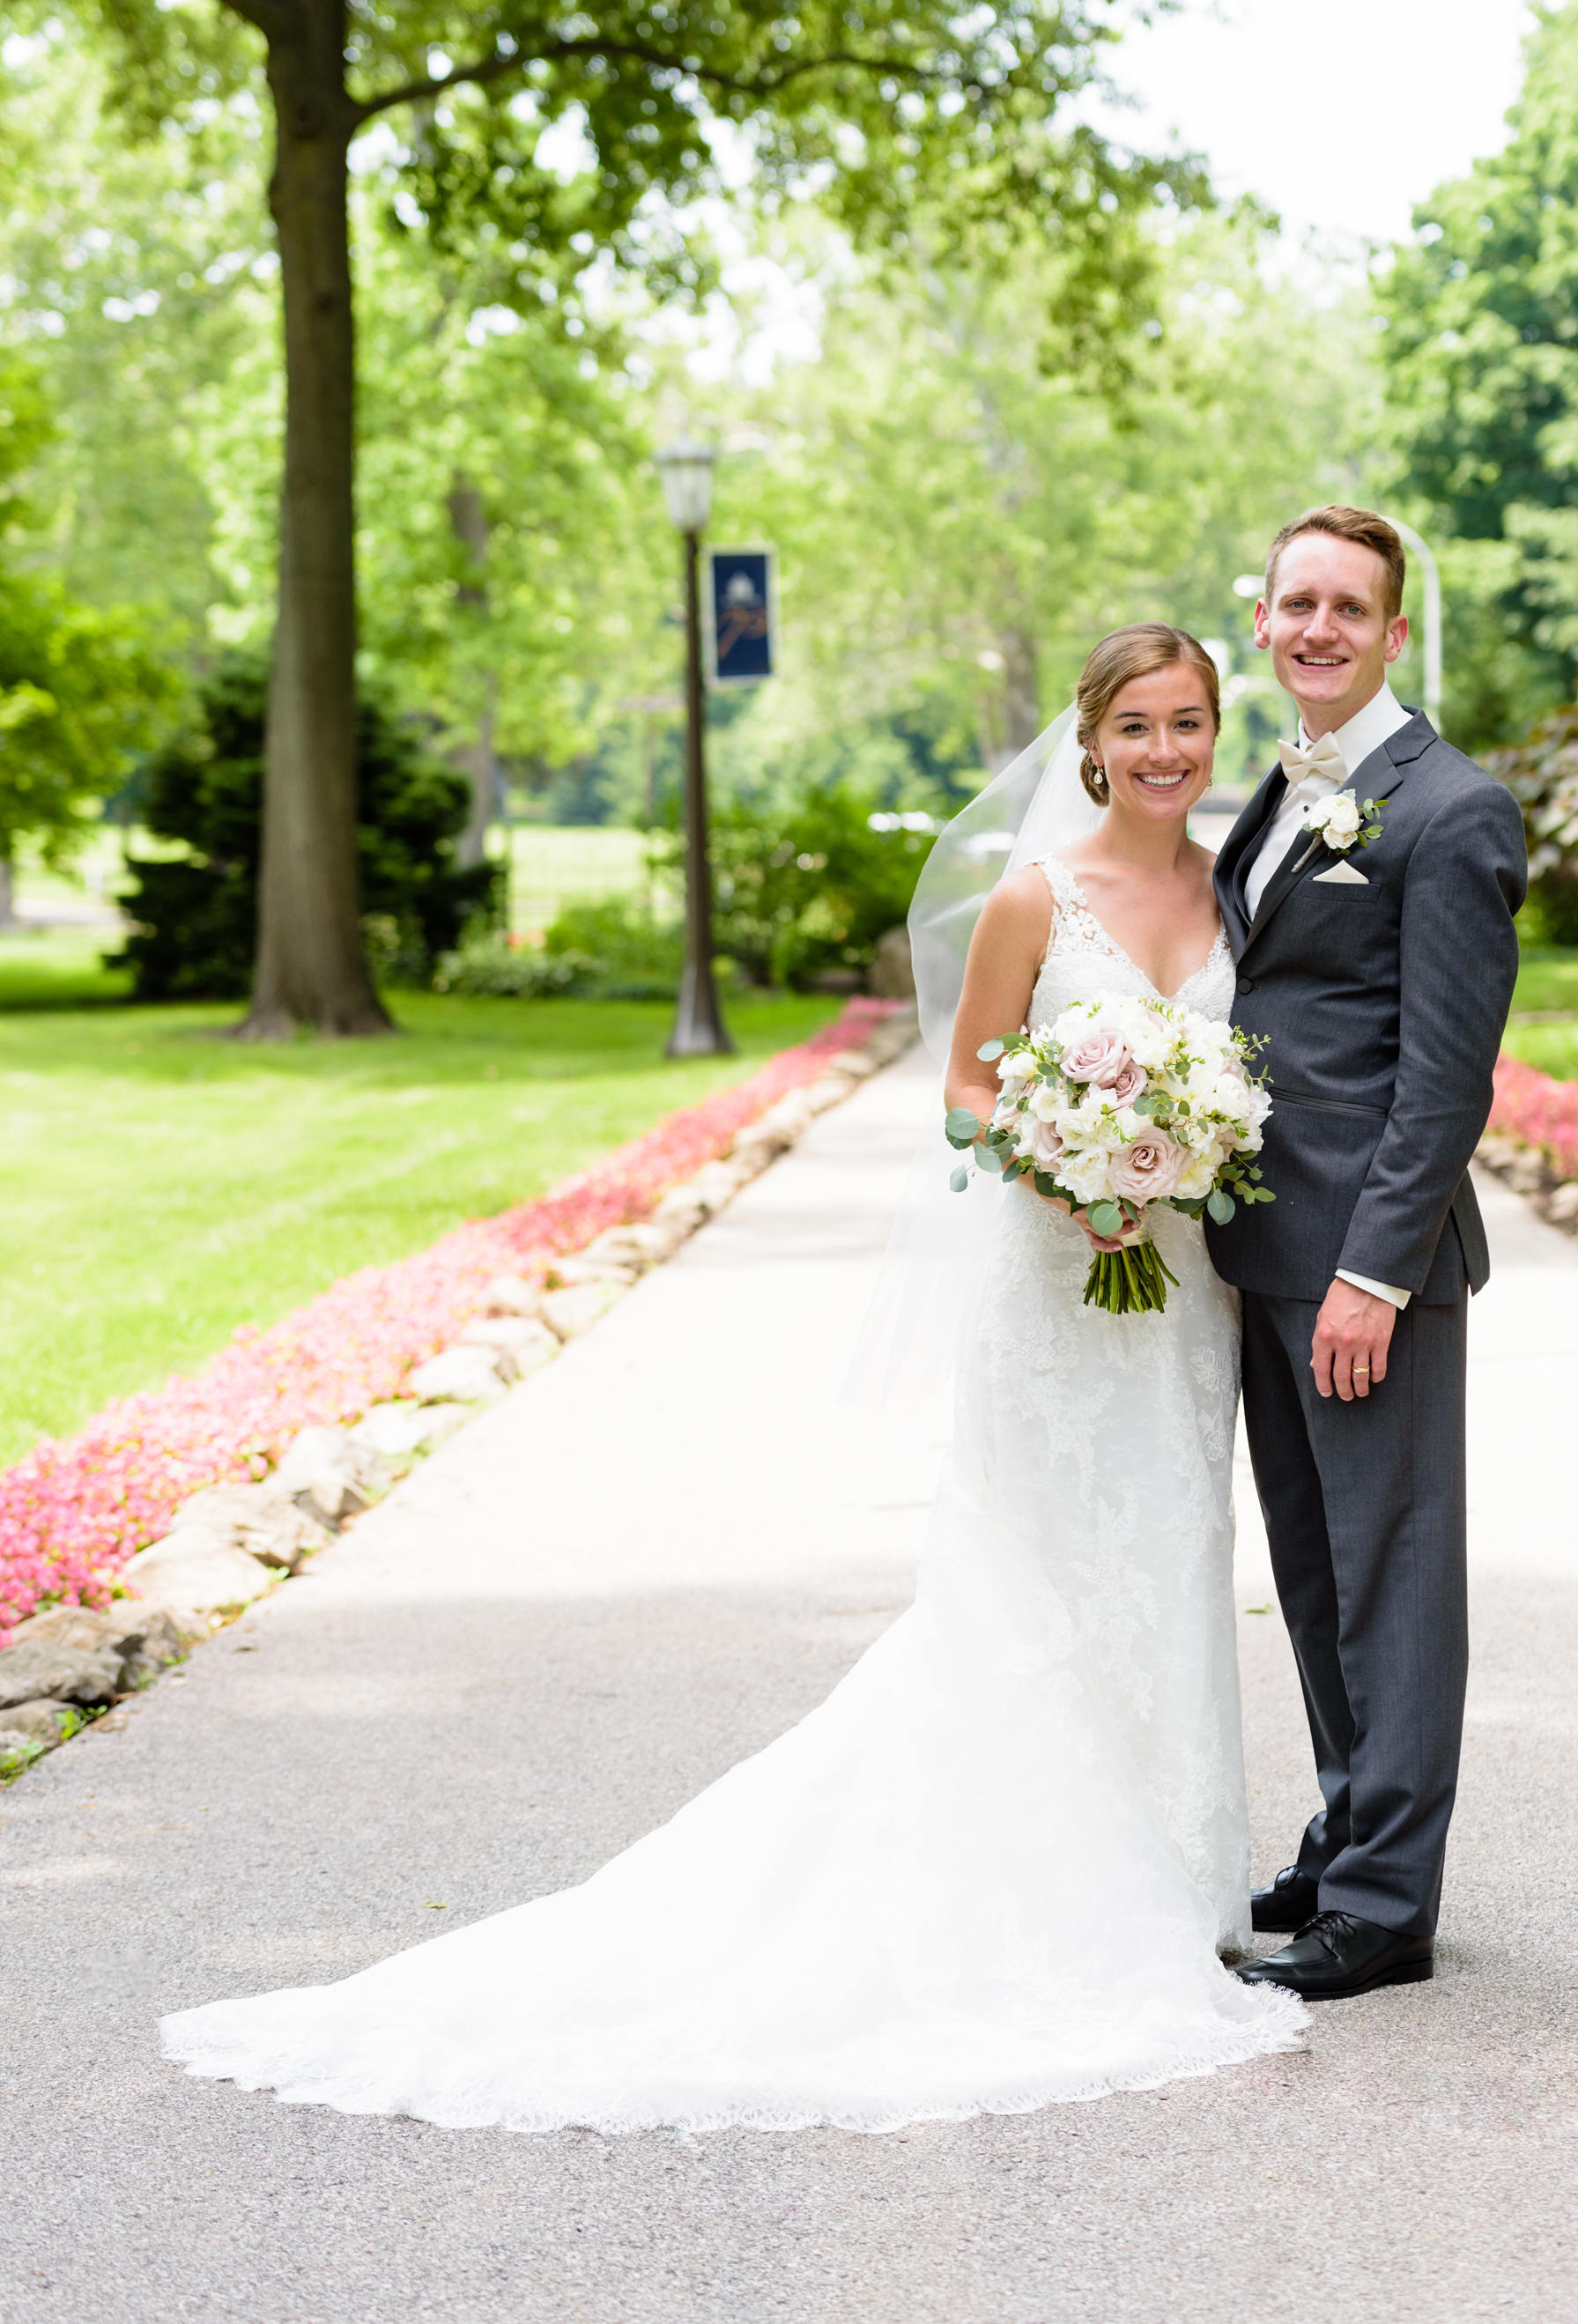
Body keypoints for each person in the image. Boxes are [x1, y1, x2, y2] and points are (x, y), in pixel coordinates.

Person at [159, 622, 1303, 2135]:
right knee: (1035, 1578)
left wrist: (1182, 1144)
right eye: (1141, 725)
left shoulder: (1229, 889)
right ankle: (1039, 1881)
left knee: (1169, 1558)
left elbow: (1239, 1071)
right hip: (1053, 1288)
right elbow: (965, 1088)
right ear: (1091, 740)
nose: (1169, 751)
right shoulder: (1037, 895)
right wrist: (1063, 1164)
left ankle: (1175, 1873)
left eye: (1193, 723)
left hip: (1178, 1311)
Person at [1207, 505, 1526, 2002]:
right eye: (1298, 603)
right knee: (1316, 1569)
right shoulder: (1286, 787)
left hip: (1363, 1271)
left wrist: (1373, 1275)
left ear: (1394, 633)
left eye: (1352, 607)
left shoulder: (1450, 808)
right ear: (1264, 621)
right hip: (1263, 1251)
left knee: (1390, 1576)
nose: (1321, 627)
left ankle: (1388, 1904)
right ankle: (1348, 1835)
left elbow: (1444, 1078)